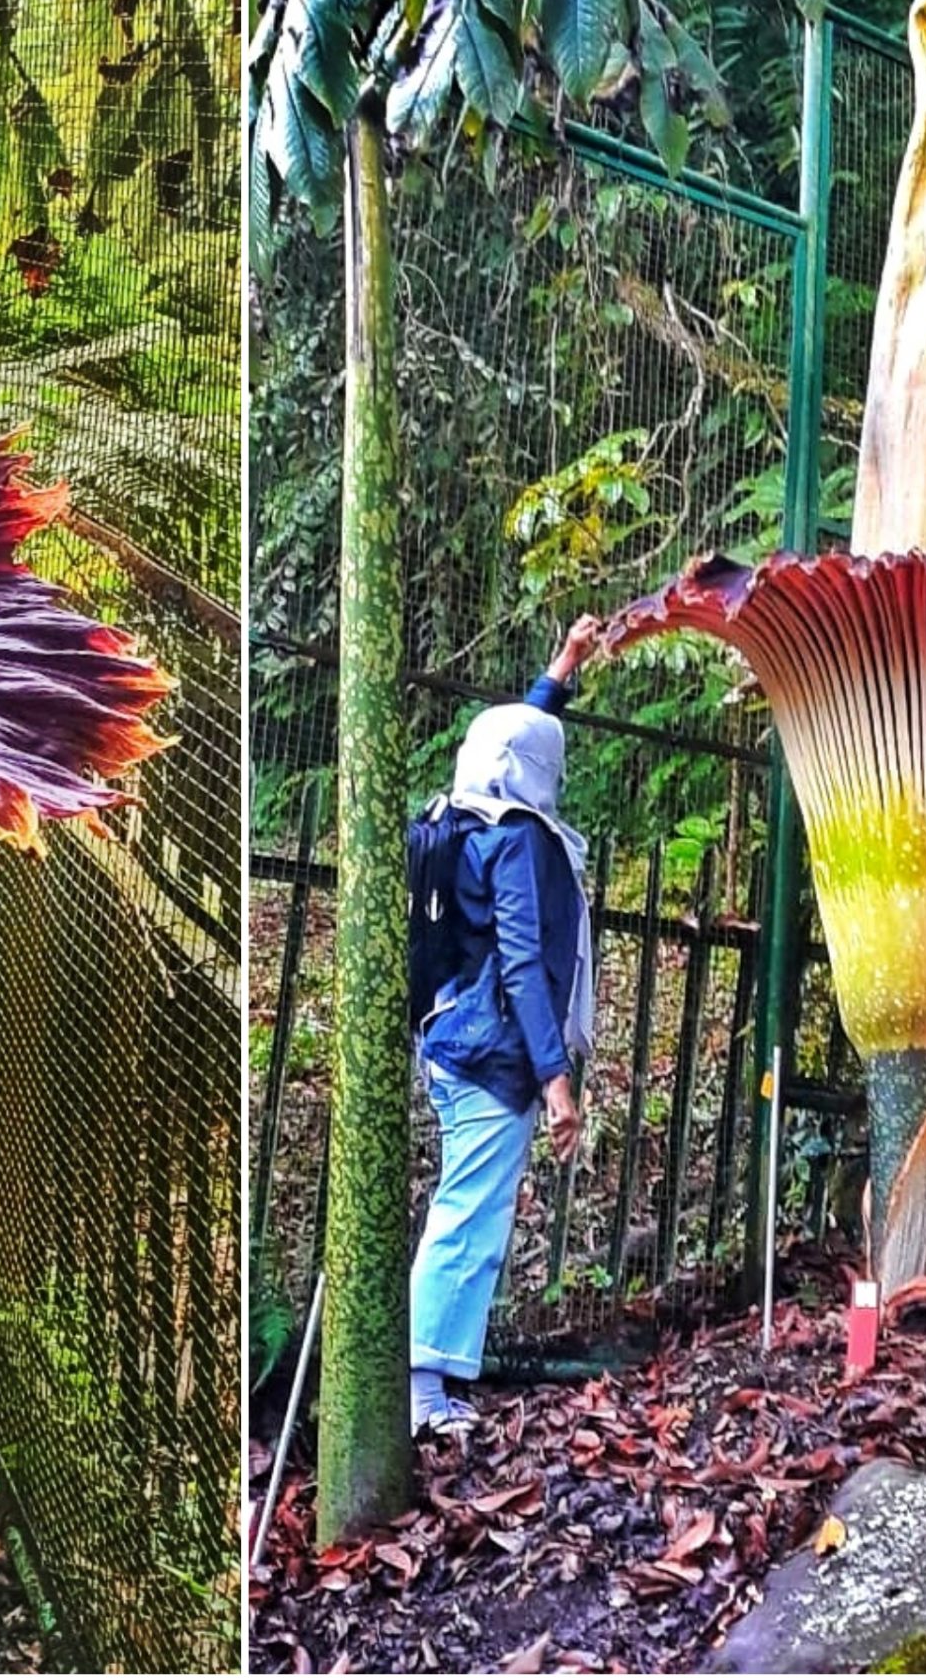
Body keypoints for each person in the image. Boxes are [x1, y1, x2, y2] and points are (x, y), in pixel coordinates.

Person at [406, 616, 601, 1438]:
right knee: (469, 1220)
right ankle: (419, 1395)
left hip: (456, 1035)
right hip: (491, 1053)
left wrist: (564, 667)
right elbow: (523, 962)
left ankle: (434, 1386)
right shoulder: (519, 840)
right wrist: (557, 1082)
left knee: (471, 1213)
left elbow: (513, 741)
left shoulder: (467, 814)